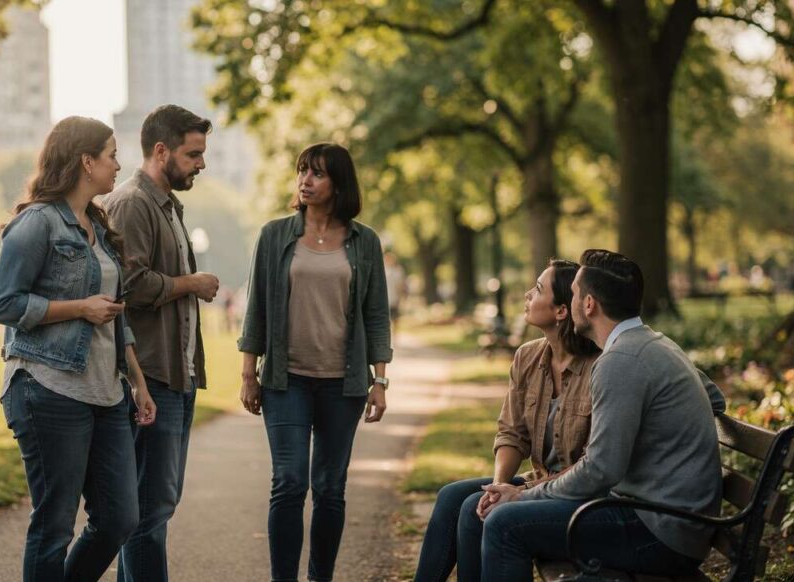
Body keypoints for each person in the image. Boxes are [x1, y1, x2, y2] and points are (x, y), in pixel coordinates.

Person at [479, 249, 727, 580]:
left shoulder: (619, 361)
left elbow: (599, 471)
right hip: (666, 517)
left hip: (659, 531)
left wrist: (523, 494)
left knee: (504, 525)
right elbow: (716, 398)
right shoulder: (655, 342)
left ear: (589, 304)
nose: (573, 298)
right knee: (496, 514)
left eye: (576, 293)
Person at [0, 116, 157, 582]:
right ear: (87, 162)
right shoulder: (37, 223)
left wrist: (138, 383)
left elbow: (115, 315)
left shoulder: (99, 228)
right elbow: (3, 303)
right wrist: (77, 307)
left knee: (121, 517)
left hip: (107, 393)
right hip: (48, 386)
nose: (118, 164)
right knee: (54, 526)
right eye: (111, 155)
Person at [238, 142, 393, 582]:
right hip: (286, 382)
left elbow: (376, 314)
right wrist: (249, 373)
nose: (305, 180)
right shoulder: (274, 236)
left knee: (329, 489)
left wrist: (380, 381)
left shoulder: (364, 242)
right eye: (302, 171)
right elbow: (257, 310)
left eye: (317, 174)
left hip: (342, 385)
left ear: (338, 184)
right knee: (288, 483)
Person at [413, 259, 601, 582]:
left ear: (560, 311)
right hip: (539, 482)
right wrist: (500, 485)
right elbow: (512, 434)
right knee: (452, 498)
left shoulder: (599, 369)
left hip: (575, 494)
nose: (528, 294)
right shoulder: (527, 357)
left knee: (477, 513)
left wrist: (512, 495)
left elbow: (592, 465)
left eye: (538, 289)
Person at [103, 104, 220, 582]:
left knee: (156, 507)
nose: (201, 164)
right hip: (151, 373)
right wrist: (189, 283)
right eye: (193, 154)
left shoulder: (167, 204)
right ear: (160, 150)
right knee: (149, 511)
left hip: (177, 373)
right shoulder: (133, 203)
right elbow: (130, 285)